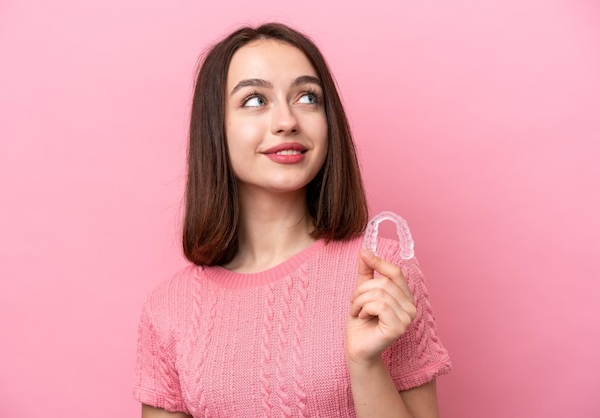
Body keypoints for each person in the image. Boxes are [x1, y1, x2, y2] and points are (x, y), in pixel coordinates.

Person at [134, 22, 451, 418]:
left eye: (307, 97)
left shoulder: (381, 274)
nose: (287, 121)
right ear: (215, 128)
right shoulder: (169, 309)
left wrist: (366, 365)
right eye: (254, 100)